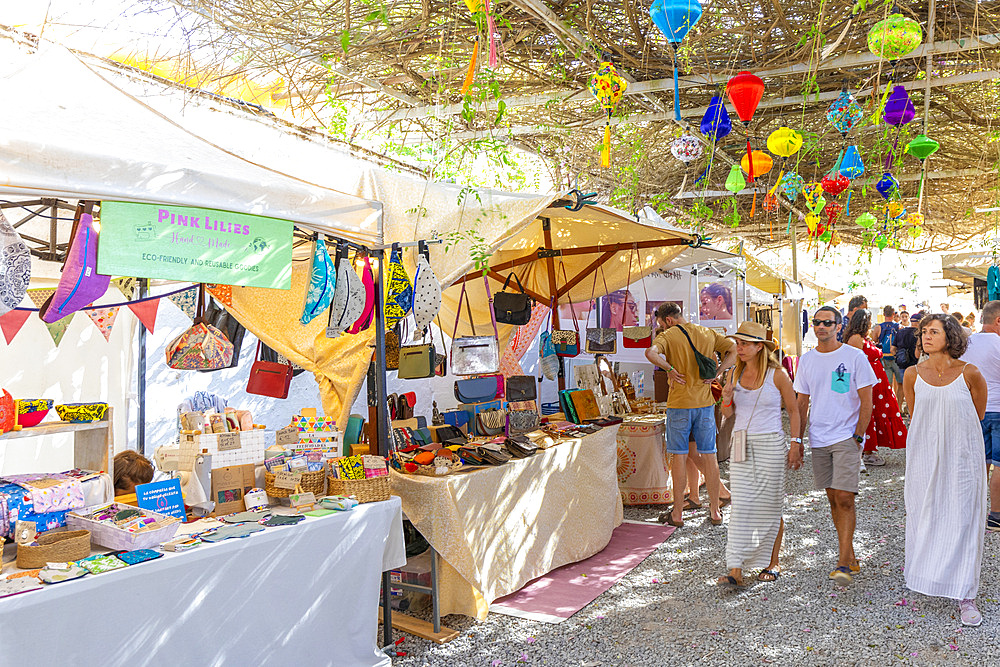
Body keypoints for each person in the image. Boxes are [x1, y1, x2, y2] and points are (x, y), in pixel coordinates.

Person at [903, 313, 988, 626]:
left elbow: (977, 413)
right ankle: (927, 575)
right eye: (924, 332)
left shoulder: (970, 373)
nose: (926, 336)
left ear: (950, 337)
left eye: (934, 331)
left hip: (963, 455)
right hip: (925, 454)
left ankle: (966, 594)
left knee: (964, 518)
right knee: (926, 512)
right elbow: (916, 413)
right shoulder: (912, 373)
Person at [792, 306, 876, 585]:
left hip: (846, 437)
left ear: (839, 326)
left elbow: (867, 401)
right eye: (816, 322)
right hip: (819, 438)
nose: (821, 327)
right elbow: (801, 403)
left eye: (827, 322)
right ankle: (849, 555)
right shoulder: (806, 360)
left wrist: (858, 435)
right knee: (832, 498)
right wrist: (797, 440)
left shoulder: (855, 357)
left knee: (845, 497)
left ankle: (842, 563)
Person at [716, 322, 801, 589]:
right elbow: (728, 414)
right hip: (741, 441)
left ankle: (772, 562)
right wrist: (726, 398)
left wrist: (795, 443)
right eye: (737, 343)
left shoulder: (778, 375)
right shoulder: (733, 374)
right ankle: (736, 568)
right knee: (741, 505)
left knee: (769, 504)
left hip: (770, 443)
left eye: (744, 344)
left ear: (759, 346)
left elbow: (794, 410)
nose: (738, 348)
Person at [646, 302, 737, 528]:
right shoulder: (706, 332)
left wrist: (669, 369)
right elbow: (734, 348)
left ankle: (678, 513)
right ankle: (715, 511)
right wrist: (719, 371)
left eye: (661, 323)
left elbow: (650, 353)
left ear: (668, 320)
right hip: (705, 403)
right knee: (709, 456)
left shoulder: (669, 336)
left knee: (679, 456)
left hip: (679, 404)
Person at [844, 310, 908, 466]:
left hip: (876, 384)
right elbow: (851, 363)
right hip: (868, 384)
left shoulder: (862, 338)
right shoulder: (855, 339)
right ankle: (866, 452)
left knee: (874, 415)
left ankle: (869, 451)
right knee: (868, 414)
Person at [960, 300, 1000, 531]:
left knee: (978, 465)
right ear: (998, 321)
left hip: (973, 410)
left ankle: (973, 514)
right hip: (998, 408)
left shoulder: (966, 344)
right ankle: (995, 515)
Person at [894, 312, 922, 415]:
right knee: (914, 388)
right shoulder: (920, 334)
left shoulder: (901, 332)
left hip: (902, 363)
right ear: (919, 322)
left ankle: (899, 408)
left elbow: (893, 348)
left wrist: (897, 357)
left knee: (900, 386)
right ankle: (911, 410)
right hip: (915, 364)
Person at [872, 305, 902, 399]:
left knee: (888, 385)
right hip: (896, 357)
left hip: (884, 358)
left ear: (884, 314)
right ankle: (899, 406)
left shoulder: (878, 327)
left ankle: (889, 404)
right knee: (900, 383)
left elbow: (874, 342)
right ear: (894, 314)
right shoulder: (899, 327)